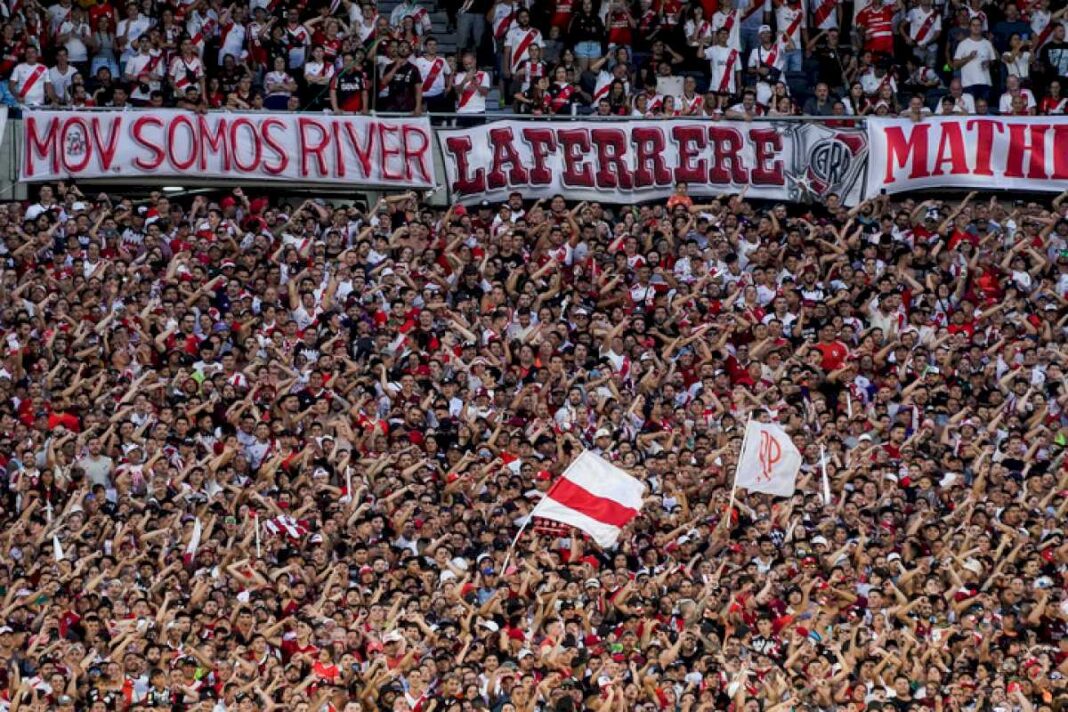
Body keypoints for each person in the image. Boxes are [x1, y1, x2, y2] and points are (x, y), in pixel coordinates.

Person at [953, 16, 997, 101]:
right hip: (968, 84)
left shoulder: (987, 43)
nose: (976, 27)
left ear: (981, 27)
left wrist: (989, 63)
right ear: (970, 27)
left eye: (978, 25)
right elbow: (955, 64)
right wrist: (969, 57)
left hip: (985, 83)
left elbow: (993, 61)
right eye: (974, 25)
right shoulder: (963, 44)